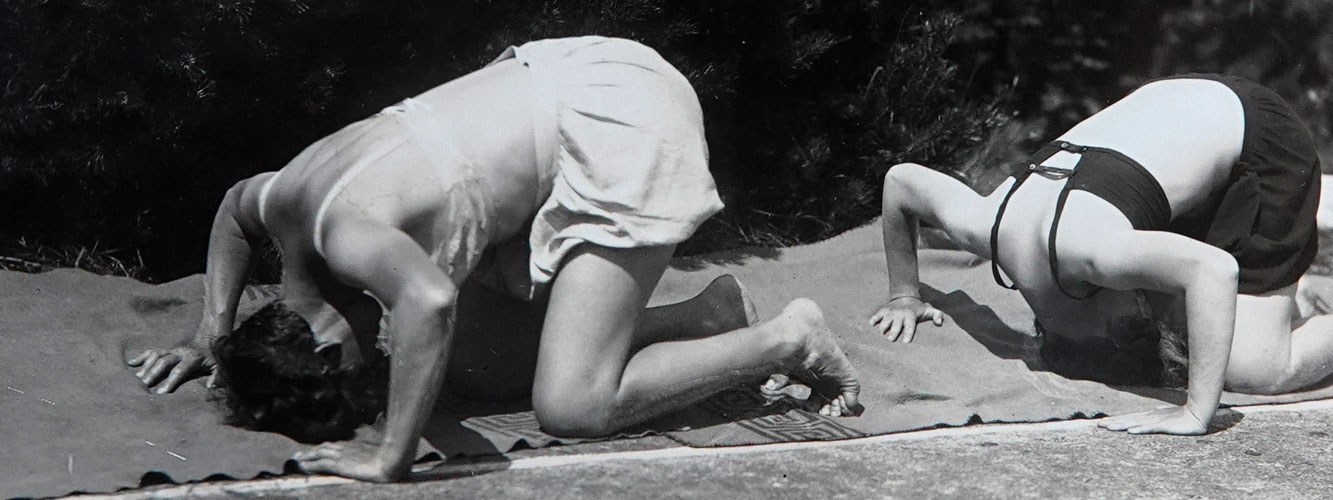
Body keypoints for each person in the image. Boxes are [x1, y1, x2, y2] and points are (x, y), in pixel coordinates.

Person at [125, 36, 860, 482]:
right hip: (569, 79)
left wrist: (391, 454)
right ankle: (709, 315)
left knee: (572, 406)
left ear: (320, 343)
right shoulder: (286, 203)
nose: (373, 357)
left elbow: (428, 304)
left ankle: (787, 339)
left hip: (619, 118)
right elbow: (230, 208)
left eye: (356, 368)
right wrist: (208, 334)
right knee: (476, 370)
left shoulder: (348, 238)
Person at [868, 74, 1333, 436]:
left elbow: (1212, 268)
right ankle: (1284, 296)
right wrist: (906, 295)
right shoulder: (987, 223)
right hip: (1179, 102)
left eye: (1134, 321)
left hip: (1261, 137)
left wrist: (1196, 412)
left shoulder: (1097, 254)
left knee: (1252, 368)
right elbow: (902, 182)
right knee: (1199, 318)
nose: (1146, 315)